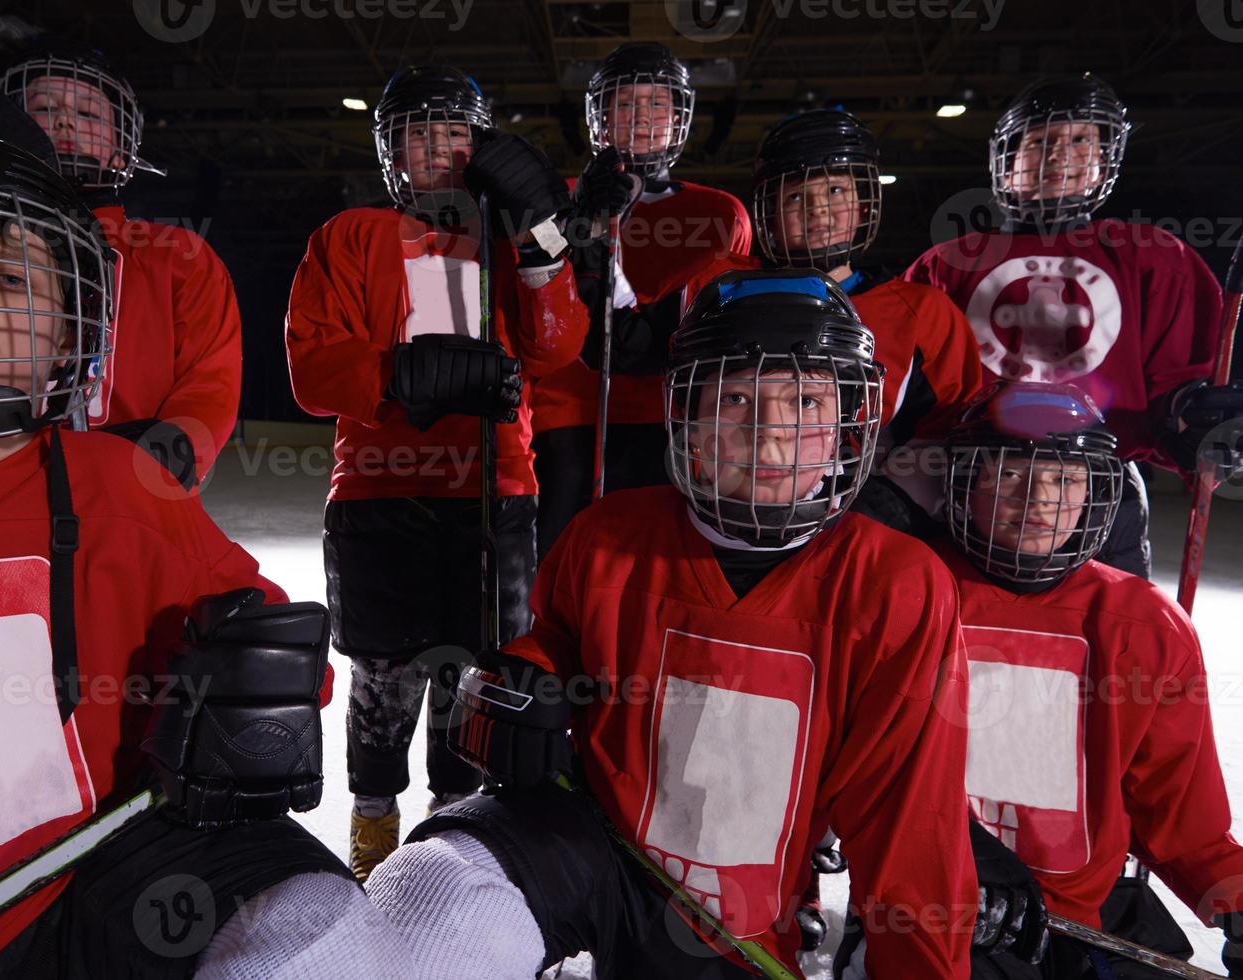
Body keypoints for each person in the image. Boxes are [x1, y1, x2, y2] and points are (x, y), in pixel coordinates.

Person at [0, 130, 403, 978]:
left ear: (69, 329)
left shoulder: (116, 482)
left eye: (10, 279)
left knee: (322, 937)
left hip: (117, 871)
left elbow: (270, 639)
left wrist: (260, 681)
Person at [365, 270, 984, 978]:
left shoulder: (894, 584)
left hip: (741, 925)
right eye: (738, 398)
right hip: (595, 853)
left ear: (849, 421)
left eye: (806, 399)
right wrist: (523, 677)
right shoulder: (604, 536)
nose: (771, 436)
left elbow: (909, 829)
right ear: (687, 415)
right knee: (428, 899)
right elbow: (568, 645)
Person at [285, 65, 588, 880]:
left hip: (495, 494)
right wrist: (400, 376)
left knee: (475, 675)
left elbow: (559, 343)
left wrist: (538, 232)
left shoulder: (509, 234)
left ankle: (453, 844)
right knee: (382, 677)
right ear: (391, 151)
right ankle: (372, 839)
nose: (439, 149)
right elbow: (313, 372)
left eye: (455, 132)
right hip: (379, 497)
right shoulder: (348, 236)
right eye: (419, 133)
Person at [933, 381, 1243, 978]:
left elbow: (1180, 815)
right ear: (967, 482)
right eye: (1010, 475)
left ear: (1095, 492)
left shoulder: (1143, 624)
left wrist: (1233, 896)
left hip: (1077, 919)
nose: (1039, 500)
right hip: (936, 911)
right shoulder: (908, 593)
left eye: (1065, 479)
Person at [905, 74, 1243, 578]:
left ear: (1106, 157)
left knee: (1112, 634)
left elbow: (1177, 382)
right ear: (1008, 157)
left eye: (1082, 139)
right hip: (970, 485)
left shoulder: (1156, 257)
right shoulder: (948, 263)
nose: (1060, 156)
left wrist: (1196, 419)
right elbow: (917, 388)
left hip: (1100, 487)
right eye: (1042, 141)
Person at [688, 107, 986, 545]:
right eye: (795, 198)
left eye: (834, 191)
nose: (818, 210)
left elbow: (949, 427)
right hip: (729, 509)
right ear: (768, 213)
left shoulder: (923, 310)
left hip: (865, 522)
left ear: (864, 203)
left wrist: (894, 499)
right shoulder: (719, 291)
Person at [531, 41, 752, 560]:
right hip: (567, 415)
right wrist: (573, 223)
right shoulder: (554, 201)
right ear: (601, 118)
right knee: (559, 567)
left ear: (679, 117)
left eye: (658, 104)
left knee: (652, 567)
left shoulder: (720, 213)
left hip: (671, 417)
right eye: (626, 103)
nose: (643, 118)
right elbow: (536, 274)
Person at [0, 42, 243, 481]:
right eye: (43, 108)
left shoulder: (178, 258)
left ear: (121, 145)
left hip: (128, 498)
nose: (65, 121)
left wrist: (172, 449)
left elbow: (210, 380)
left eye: (89, 114)